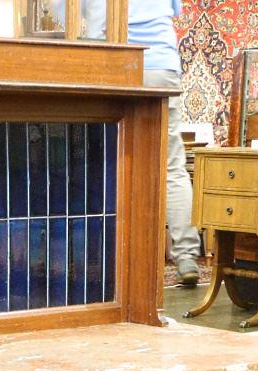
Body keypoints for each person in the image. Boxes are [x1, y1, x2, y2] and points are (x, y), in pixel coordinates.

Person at [82, 0, 201, 285]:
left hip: (118, 63)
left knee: (109, 160)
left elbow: (76, 19)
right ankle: (186, 257)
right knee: (172, 167)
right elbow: (173, 10)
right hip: (163, 65)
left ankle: (109, 256)